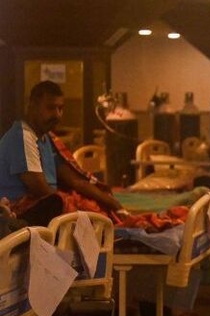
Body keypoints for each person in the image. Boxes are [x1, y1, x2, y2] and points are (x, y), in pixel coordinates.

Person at [0, 81, 126, 227]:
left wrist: (115, 204)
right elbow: (41, 191)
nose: (57, 114)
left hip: (50, 205)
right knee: (69, 207)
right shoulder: (22, 136)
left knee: (97, 206)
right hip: (21, 212)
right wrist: (74, 208)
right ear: (32, 106)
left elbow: (76, 181)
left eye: (60, 108)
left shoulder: (47, 138)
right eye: (51, 108)